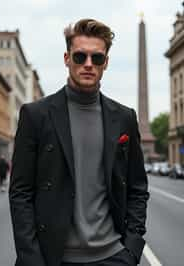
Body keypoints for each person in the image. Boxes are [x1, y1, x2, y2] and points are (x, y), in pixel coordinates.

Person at [9, 19, 149, 266]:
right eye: (79, 56)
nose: (88, 64)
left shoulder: (124, 118)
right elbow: (20, 193)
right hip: (52, 258)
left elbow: (137, 187)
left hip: (112, 256)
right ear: (66, 58)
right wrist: (31, 258)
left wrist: (132, 250)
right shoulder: (36, 115)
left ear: (105, 63)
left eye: (96, 58)